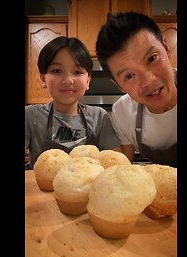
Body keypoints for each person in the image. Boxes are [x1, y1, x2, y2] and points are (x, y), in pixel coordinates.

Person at [25, 36, 121, 169]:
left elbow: (115, 165)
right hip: (41, 189)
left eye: (77, 72)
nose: (68, 80)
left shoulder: (98, 117)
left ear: (87, 81)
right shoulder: (31, 116)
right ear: (43, 79)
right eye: (57, 71)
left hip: (86, 188)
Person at [95, 11, 177, 167]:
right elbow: (123, 170)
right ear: (118, 85)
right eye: (129, 76)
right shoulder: (122, 112)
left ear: (166, 48)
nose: (148, 81)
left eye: (152, 58)